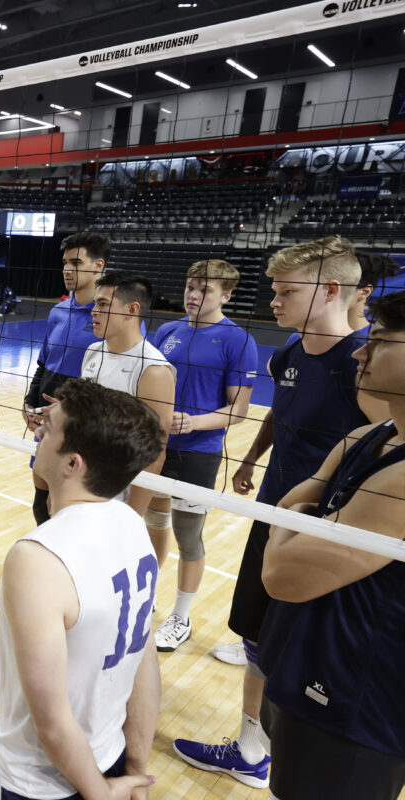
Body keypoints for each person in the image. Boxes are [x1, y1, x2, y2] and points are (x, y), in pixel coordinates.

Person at [173, 235, 390, 788]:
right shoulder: (289, 352)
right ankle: (253, 747)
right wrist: (250, 460)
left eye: (286, 290)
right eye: (274, 288)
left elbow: (382, 440)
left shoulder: (363, 363)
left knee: (299, 651)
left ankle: (266, 749)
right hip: (275, 514)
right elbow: (280, 414)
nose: (274, 299)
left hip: (322, 534)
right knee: (257, 637)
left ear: (331, 291)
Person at [259, 290, 405, 800]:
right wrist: (298, 521)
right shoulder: (370, 434)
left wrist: (300, 521)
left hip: (355, 699)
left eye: (380, 343)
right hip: (303, 662)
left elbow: (283, 576)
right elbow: (285, 509)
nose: (361, 354)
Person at [0, 378, 163, 800]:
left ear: (74, 464)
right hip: (109, 757)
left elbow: (51, 723)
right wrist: (136, 768)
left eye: (49, 428)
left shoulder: (37, 558)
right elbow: (144, 653)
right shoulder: (130, 524)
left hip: (39, 782)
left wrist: (100, 794)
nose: (37, 431)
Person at [147, 260, 258, 653]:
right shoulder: (168, 331)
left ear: (225, 296)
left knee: (188, 536)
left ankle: (182, 616)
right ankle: (147, 595)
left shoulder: (238, 340)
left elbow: (238, 410)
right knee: (150, 522)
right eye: (190, 287)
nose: (193, 295)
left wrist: (193, 423)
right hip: (155, 447)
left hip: (199, 452)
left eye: (204, 290)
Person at [23, 231, 109, 525]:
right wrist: (29, 403)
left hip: (85, 427)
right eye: (64, 263)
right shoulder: (58, 311)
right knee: (40, 499)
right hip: (48, 422)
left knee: (71, 508)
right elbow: (43, 364)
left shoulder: (108, 317)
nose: (67, 269)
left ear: (98, 265)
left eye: (76, 262)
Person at [79, 270, 175, 520]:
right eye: (94, 303)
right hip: (80, 481)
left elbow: (155, 452)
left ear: (131, 310)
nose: (93, 311)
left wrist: (131, 515)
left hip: (116, 496)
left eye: (103, 304)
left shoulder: (153, 370)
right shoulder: (92, 352)